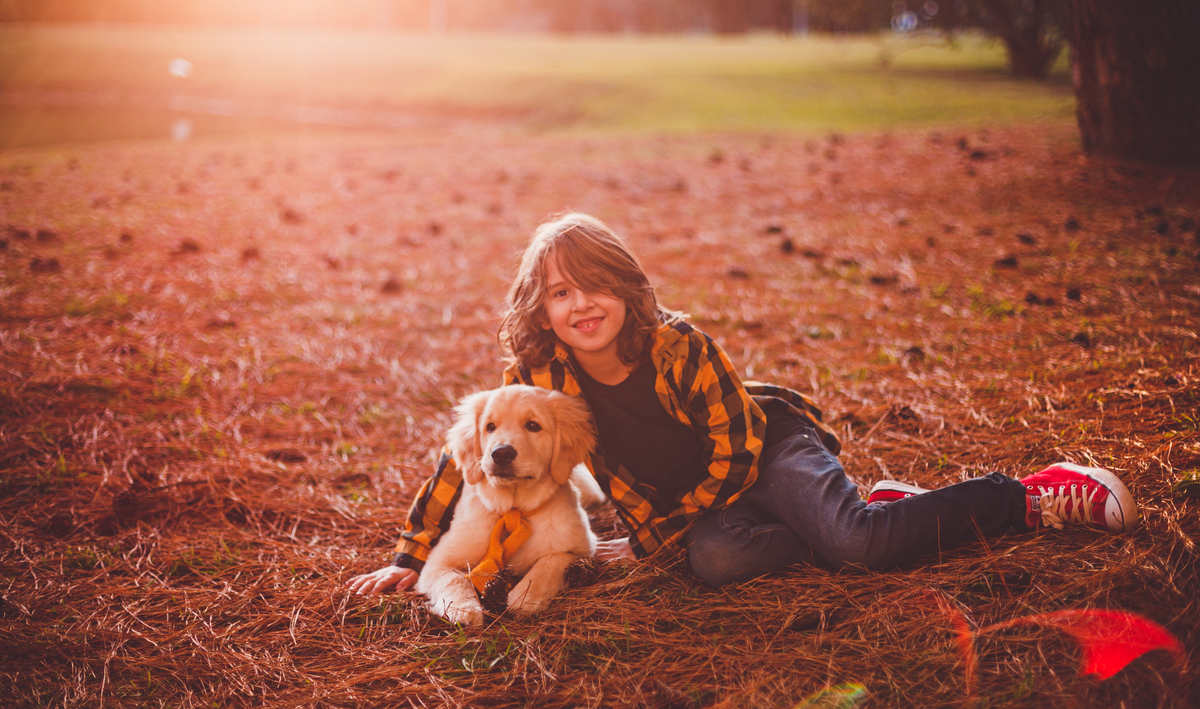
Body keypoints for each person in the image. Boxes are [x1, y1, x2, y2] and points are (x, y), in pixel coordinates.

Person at [345, 212, 1138, 595]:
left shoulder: (676, 347)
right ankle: (868, 514)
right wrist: (411, 559)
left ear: (626, 289)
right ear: (540, 308)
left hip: (767, 452)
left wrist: (666, 530)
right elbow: (471, 465)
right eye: (560, 293)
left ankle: (1021, 498)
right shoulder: (542, 382)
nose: (581, 305)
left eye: (596, 287)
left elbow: (733, 452)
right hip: (712, 508)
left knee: (857, 548)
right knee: (716, 562)